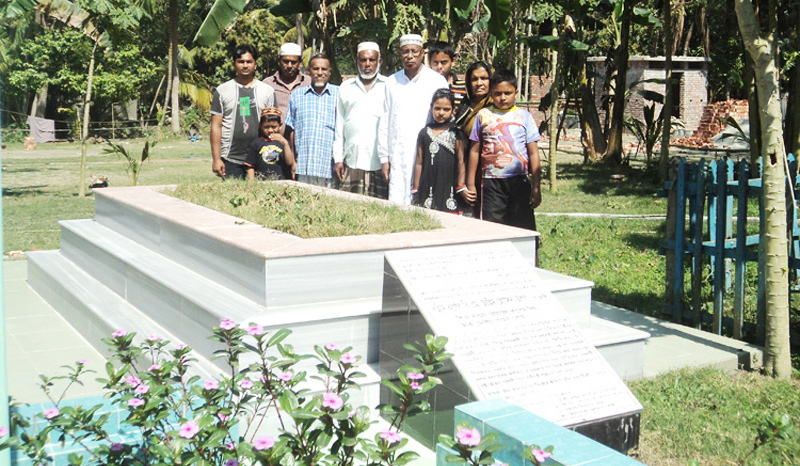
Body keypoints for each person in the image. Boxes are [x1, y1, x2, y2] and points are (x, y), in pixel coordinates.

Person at [466, 69, 542, 232]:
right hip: (491, 181)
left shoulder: (525, 116)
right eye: (498, 93)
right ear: (491, 94)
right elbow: (474, 151)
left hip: (519, 180)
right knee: (493, 228)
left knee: (523, 227)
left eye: (507, 93)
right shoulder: (483, 115)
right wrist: (471, 183)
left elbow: (534, 153)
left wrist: (536, 186)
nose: (503, 97)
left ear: (516, 93)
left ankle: (528, 256)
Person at [377, 34, 449, 205]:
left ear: (422, 53)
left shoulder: (436, 81)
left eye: (414, 52)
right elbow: (385, 121)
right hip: (398, 153)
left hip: (428, 152)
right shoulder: (391, 82)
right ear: (400, 54)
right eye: (405, 52)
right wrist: (384, 158)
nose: (410, 56)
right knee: (398, 203)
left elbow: (445, 120)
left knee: (426, 202)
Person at [210, 44, 276, 179]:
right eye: (241, 62)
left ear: (255, 65)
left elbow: (273, 126)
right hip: (230, 157)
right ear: (234, 64)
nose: (245, 65)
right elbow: (216, 126)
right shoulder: (222, 90)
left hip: (261, 156)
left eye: (249, 62)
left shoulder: (267, 91)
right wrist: (217, 159)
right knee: (233, 196)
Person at [333, 42, 389, 198]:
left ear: (380, 62)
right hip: (352, 162)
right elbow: (340, 124)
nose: (367, 64)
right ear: (357, 61)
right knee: (348, 211)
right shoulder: (346, 87)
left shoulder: (389, 86)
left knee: (379, 214)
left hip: (379, 164)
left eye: (372, 60)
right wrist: (338, 158)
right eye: (363, 60)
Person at [411, 89, 469, 213]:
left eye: (446, 109)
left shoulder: (457, 133)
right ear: (431, 108)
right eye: (437, 108)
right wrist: (415, 189)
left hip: (449, 184)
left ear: (454, 110)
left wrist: (461, 185)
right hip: (428, 184)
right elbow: (419, 162)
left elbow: (461, 161)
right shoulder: (424, 133)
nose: (441, 113)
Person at [285, 54, 339, 187]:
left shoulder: (340, 95)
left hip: (330, 167)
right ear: (309, 71)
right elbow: (291, 130)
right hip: (304, 166)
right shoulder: (297, 96)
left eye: (324, 69)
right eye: (316, 69)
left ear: (329, 72)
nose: (320, 73)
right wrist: (294, 161)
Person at [263, 43, 312, 122]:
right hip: (274, 134)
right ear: (279, 61)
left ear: (300, 62)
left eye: (293, 62)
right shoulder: (267, 84)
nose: (289, 66)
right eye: (285, 62)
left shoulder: (309, 83)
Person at [245, 108, 295, 180]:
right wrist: (252, 183)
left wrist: (285, 143)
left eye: (274, 127)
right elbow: (250, 166)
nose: (270, 130)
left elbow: (289, 162)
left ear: (280, 125)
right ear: (260, 126)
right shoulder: (256, 143)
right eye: (266, 127)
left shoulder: (283, 143)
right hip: (262, 182)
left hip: (281, 181)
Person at [456, 61, 492, 134]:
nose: (479, 83)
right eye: (474, 79)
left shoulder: (495, 105)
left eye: (484, 78)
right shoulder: (464, 107)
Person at [428, 41, 467, 108]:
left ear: (453, 62)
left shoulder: (464, 87)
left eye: (444, 62)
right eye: (435, 62)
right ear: (429, 62)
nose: (439, 66)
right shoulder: (426, 85)